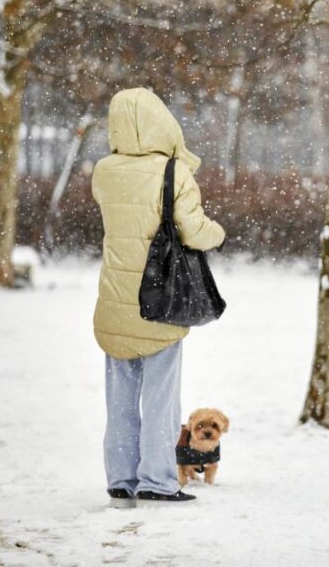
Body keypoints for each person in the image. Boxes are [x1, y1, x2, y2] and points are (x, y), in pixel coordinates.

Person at [92, 87, 226, 507]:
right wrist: (217, 232)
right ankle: (157, 482)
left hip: (114, 302)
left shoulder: (104, 170)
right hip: (159, 300)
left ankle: (121, 481)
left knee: (120, 402)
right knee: (161, 401)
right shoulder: (174, 172)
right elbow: (193, 230)